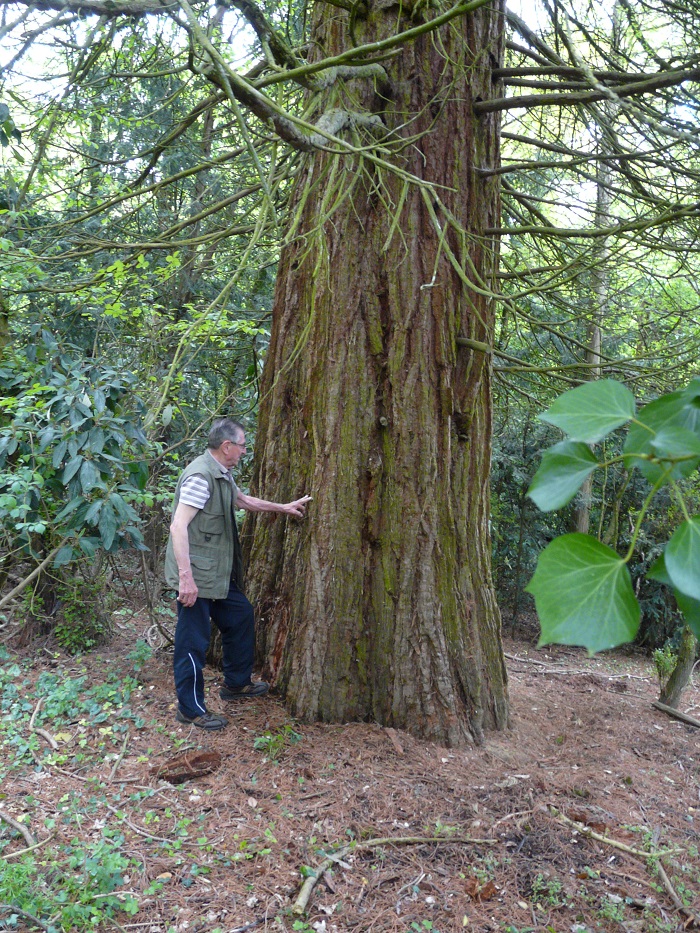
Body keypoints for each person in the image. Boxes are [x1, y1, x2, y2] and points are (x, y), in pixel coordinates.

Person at [164, 418, 311, 730]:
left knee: (241, 614)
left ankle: (236, 684)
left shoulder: (221, 473)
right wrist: (185, 578)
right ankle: (190, 709)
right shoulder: (200, 477)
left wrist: (283, 508)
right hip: (197, 577)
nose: (245, 451)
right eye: (242, 445)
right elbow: (178, 526)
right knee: (192, 642)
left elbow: (242, 501)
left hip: (216, 574)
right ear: (226, 446)